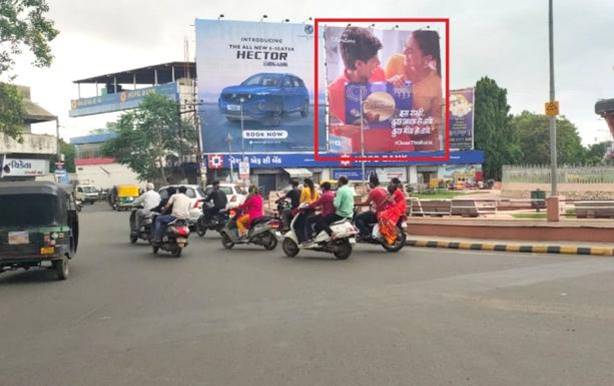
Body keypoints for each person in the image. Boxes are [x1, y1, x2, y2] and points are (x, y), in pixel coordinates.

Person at [385, 30, 443, 151]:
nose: (404, 51)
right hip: (394, 138)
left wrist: (425, 124)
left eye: (410, 50)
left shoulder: (436, 81)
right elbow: (376, 97)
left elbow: (437, 117)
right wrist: (388, 85)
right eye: (405, 47)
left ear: (427, 58)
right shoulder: (395, 62)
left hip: (423, 141)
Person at [327, 26, 387, 124]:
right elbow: (355, 125)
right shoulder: (334, 92)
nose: (379, 63)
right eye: (373, 61)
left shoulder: (379, 72)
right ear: (359, 64)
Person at [354, 173, 388, 240]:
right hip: (383, 212)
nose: (369, 185)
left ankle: (366, 234)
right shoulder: (383, 189)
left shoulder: (374, 191)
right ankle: (367, 231)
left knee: (357, 218)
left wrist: (356, 204)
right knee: (364, 216)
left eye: (369, 183)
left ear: (372, 183)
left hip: (376, 213)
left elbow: (366, 203)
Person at [378, 179, 407, 245]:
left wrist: (387, 198)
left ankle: (387, 233)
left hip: (398, 207)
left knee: (382, 216)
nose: (390, 184)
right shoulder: (395, 191)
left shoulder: (397, 191)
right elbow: (387, 200)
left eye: (391, 183)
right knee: (383, 216)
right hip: (398, 207)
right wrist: (380, 204)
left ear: (395, 184)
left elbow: (390, 200)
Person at [295, 178, 319, 243]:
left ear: (306, 183)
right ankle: (311, 236)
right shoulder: (315, 190)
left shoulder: (305, 190)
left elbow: (301, 200)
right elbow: (317, 199)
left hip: (306, 209)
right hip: (313, 209)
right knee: (311, 223)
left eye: (304, 183)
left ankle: (304, 239)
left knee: (302, 224)